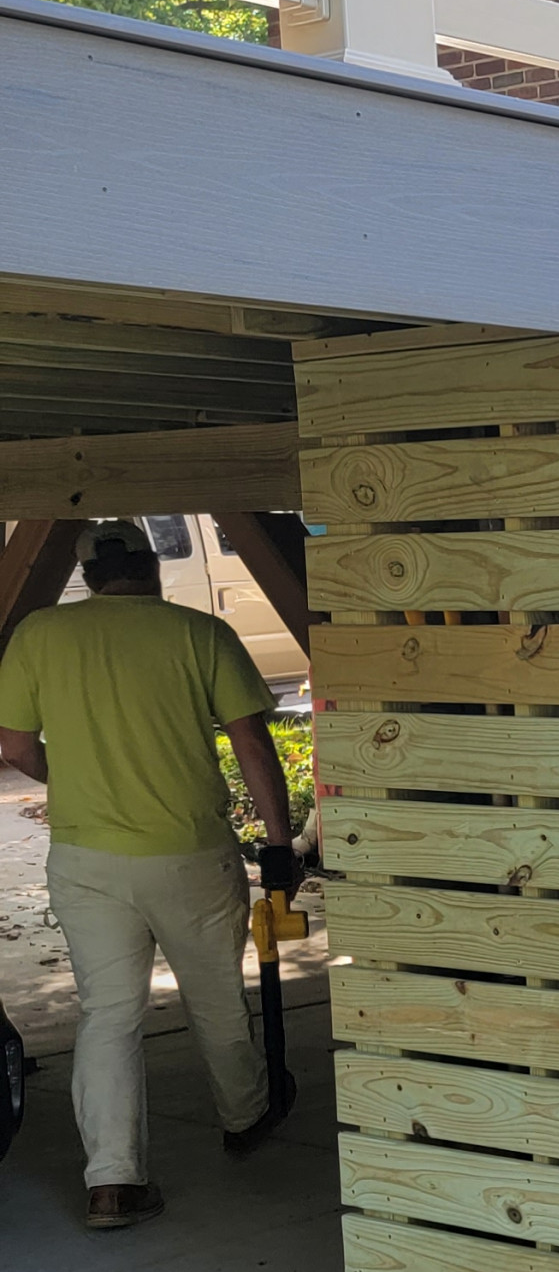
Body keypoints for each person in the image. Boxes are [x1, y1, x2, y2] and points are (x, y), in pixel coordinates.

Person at [0, 519, 300, 1229]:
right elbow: (253, 743)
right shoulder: (201, 635)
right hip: (191, 853)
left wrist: (62, 774)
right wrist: (280, 844)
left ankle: (113, 1182)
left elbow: (15, 745)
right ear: (152, 567)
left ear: (90, 576)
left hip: (87, 859)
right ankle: (246, 1116)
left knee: (109, 1016)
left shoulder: (39, 635)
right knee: (217, 1000)